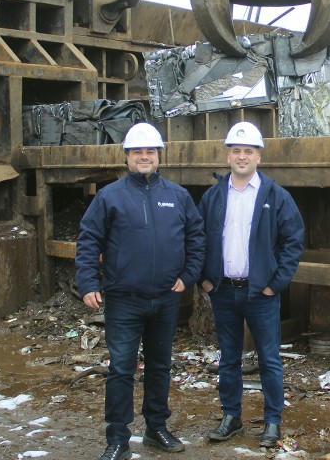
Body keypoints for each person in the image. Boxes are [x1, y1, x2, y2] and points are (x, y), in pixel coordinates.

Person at [75, 122, 205, 460]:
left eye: (150, 151)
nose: (144, 157)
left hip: (165, 298)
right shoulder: (110, 196)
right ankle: (117, 438)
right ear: (128, 157)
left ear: (159, 156)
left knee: (160, 365)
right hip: (124, 300)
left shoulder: (177, 196)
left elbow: (196, 238)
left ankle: (156, 428)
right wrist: (88, 283)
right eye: (138, 152)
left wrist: (189, 274)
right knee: (121, 368)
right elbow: (89, 239)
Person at [198, 121, 305, 448]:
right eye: (235, 151)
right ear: (228, 156)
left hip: (261, 293)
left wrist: (276, 283)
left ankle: (272, 422)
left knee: (269, 359)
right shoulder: (214, 196)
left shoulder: (276, 196)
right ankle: (231, 417)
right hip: (224, 291)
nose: (241, 156)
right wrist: (204, 278)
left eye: (248, 151)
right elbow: (198, 239)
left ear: (259, 156)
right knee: (228, 357)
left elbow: (293, 240)